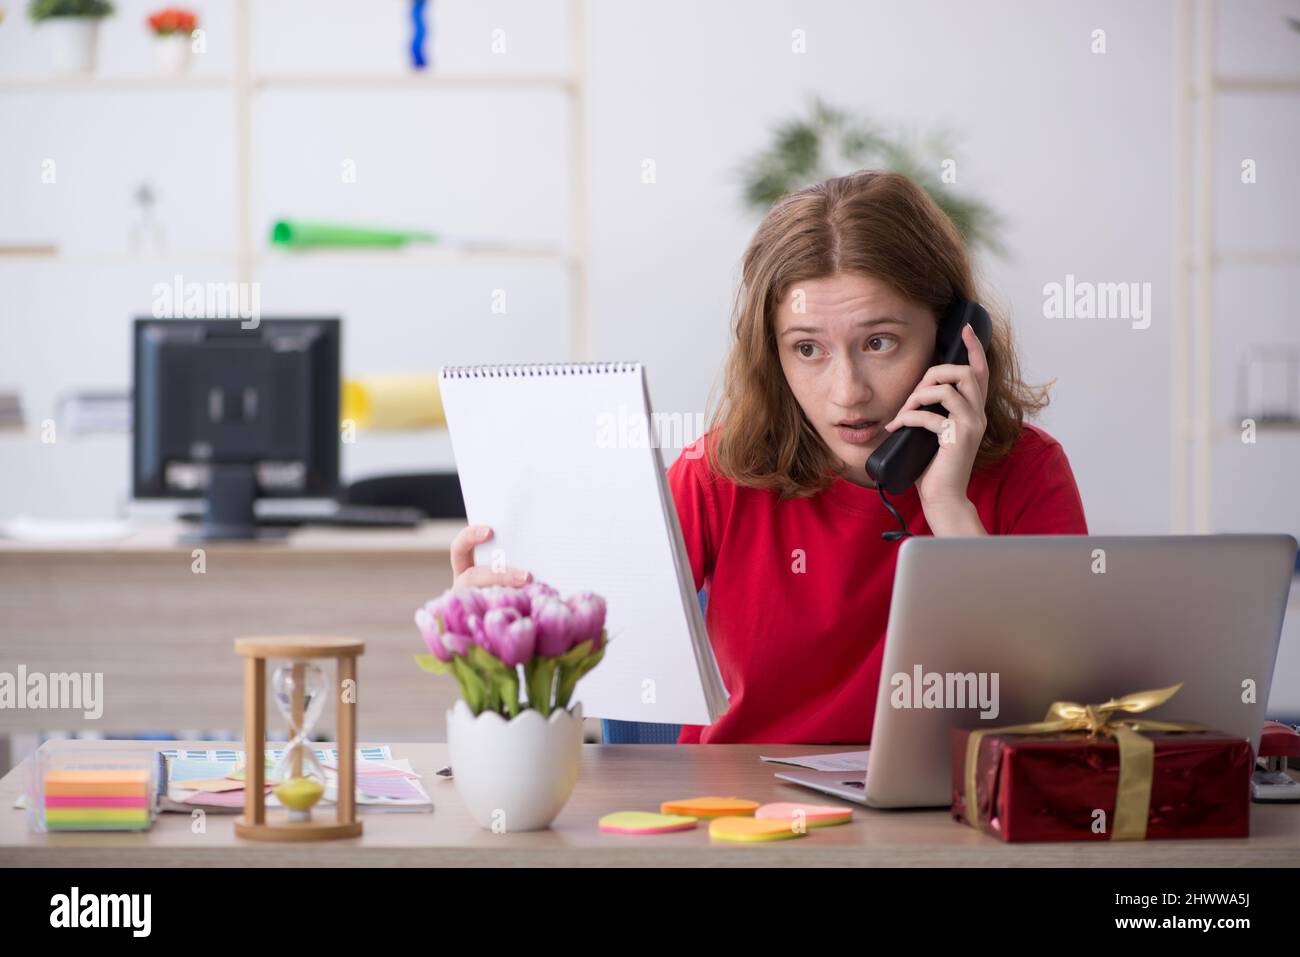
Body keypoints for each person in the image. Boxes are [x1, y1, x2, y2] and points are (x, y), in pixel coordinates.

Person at [449, 169, 1087, 745]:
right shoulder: (720, 473)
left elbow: (1056, 713)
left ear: (954, 340)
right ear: (771, 354)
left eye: (881, 342)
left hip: (941, 833)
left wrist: (949, 509)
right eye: (808, 349)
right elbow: (573, 672)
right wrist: (500, 634)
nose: (848, 392)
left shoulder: (1027, 471)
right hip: (735, 824)